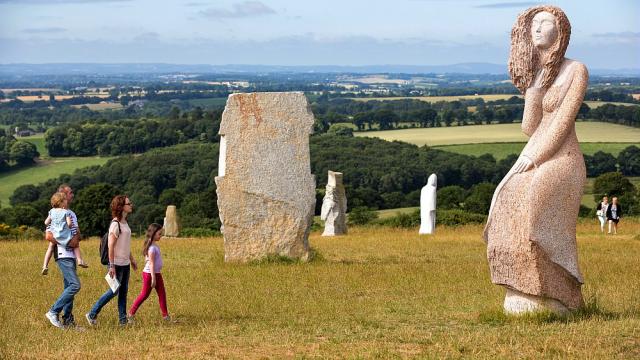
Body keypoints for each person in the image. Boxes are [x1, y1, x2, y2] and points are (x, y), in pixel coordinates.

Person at [484, 6, 588, 313]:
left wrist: (534, 157)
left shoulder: (576, 70)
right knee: (505, 198)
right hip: (534, 151)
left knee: (531, 202)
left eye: (546, 23)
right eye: (534, 24)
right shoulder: (540, 74)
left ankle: (558, 295)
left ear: (561, 31)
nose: (538, 28)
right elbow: (530, 127)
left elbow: (561, 124)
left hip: (562, 158)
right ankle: (523, 290)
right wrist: (535, 88)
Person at [86, 195, 137, 326]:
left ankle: (122, 320)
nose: (131, 205)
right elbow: (111, 246)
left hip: (125, 263)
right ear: (121, 207)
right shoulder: (115, 224)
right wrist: (111, 266)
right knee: (114, 291)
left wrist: (132, 259)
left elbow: (125, 244)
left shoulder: (125, 223)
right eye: (128, 203)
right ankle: (92, 314)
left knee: (123, 292)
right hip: (116, 264)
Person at [45, 189, 84, 328]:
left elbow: (78, 235)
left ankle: (68, 320)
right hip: (62, 254)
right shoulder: (55, 213)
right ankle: (53, 311)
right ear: (62, 198)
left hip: (72, 254)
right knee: (75, 285)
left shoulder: (71, 213)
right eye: (70, 193)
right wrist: (68, 241)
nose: (72, 195)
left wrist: (76, 238)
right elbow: (48, 236)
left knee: (69, 287)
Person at [128, 223, 170, 322]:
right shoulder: (151, 248)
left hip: (156, 273)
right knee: (144, 294)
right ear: (154, 234)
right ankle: (130, 314)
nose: (161, 236)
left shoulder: (154, 245)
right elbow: (151, 263)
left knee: (162, 294)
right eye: (159, 234)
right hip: (150, 274)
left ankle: (166, 316)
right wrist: (153, 278)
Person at [42, 192, 87, 275]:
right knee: (76, 245)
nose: (67, 201)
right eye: (65, 200)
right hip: (65, 236)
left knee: (50, 248)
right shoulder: (66, 212)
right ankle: (80, 260)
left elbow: (46, 222)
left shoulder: (51, 211)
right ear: (61, 202)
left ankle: (45, 265)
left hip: (55, 235)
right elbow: (70, 224)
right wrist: (71, 227)